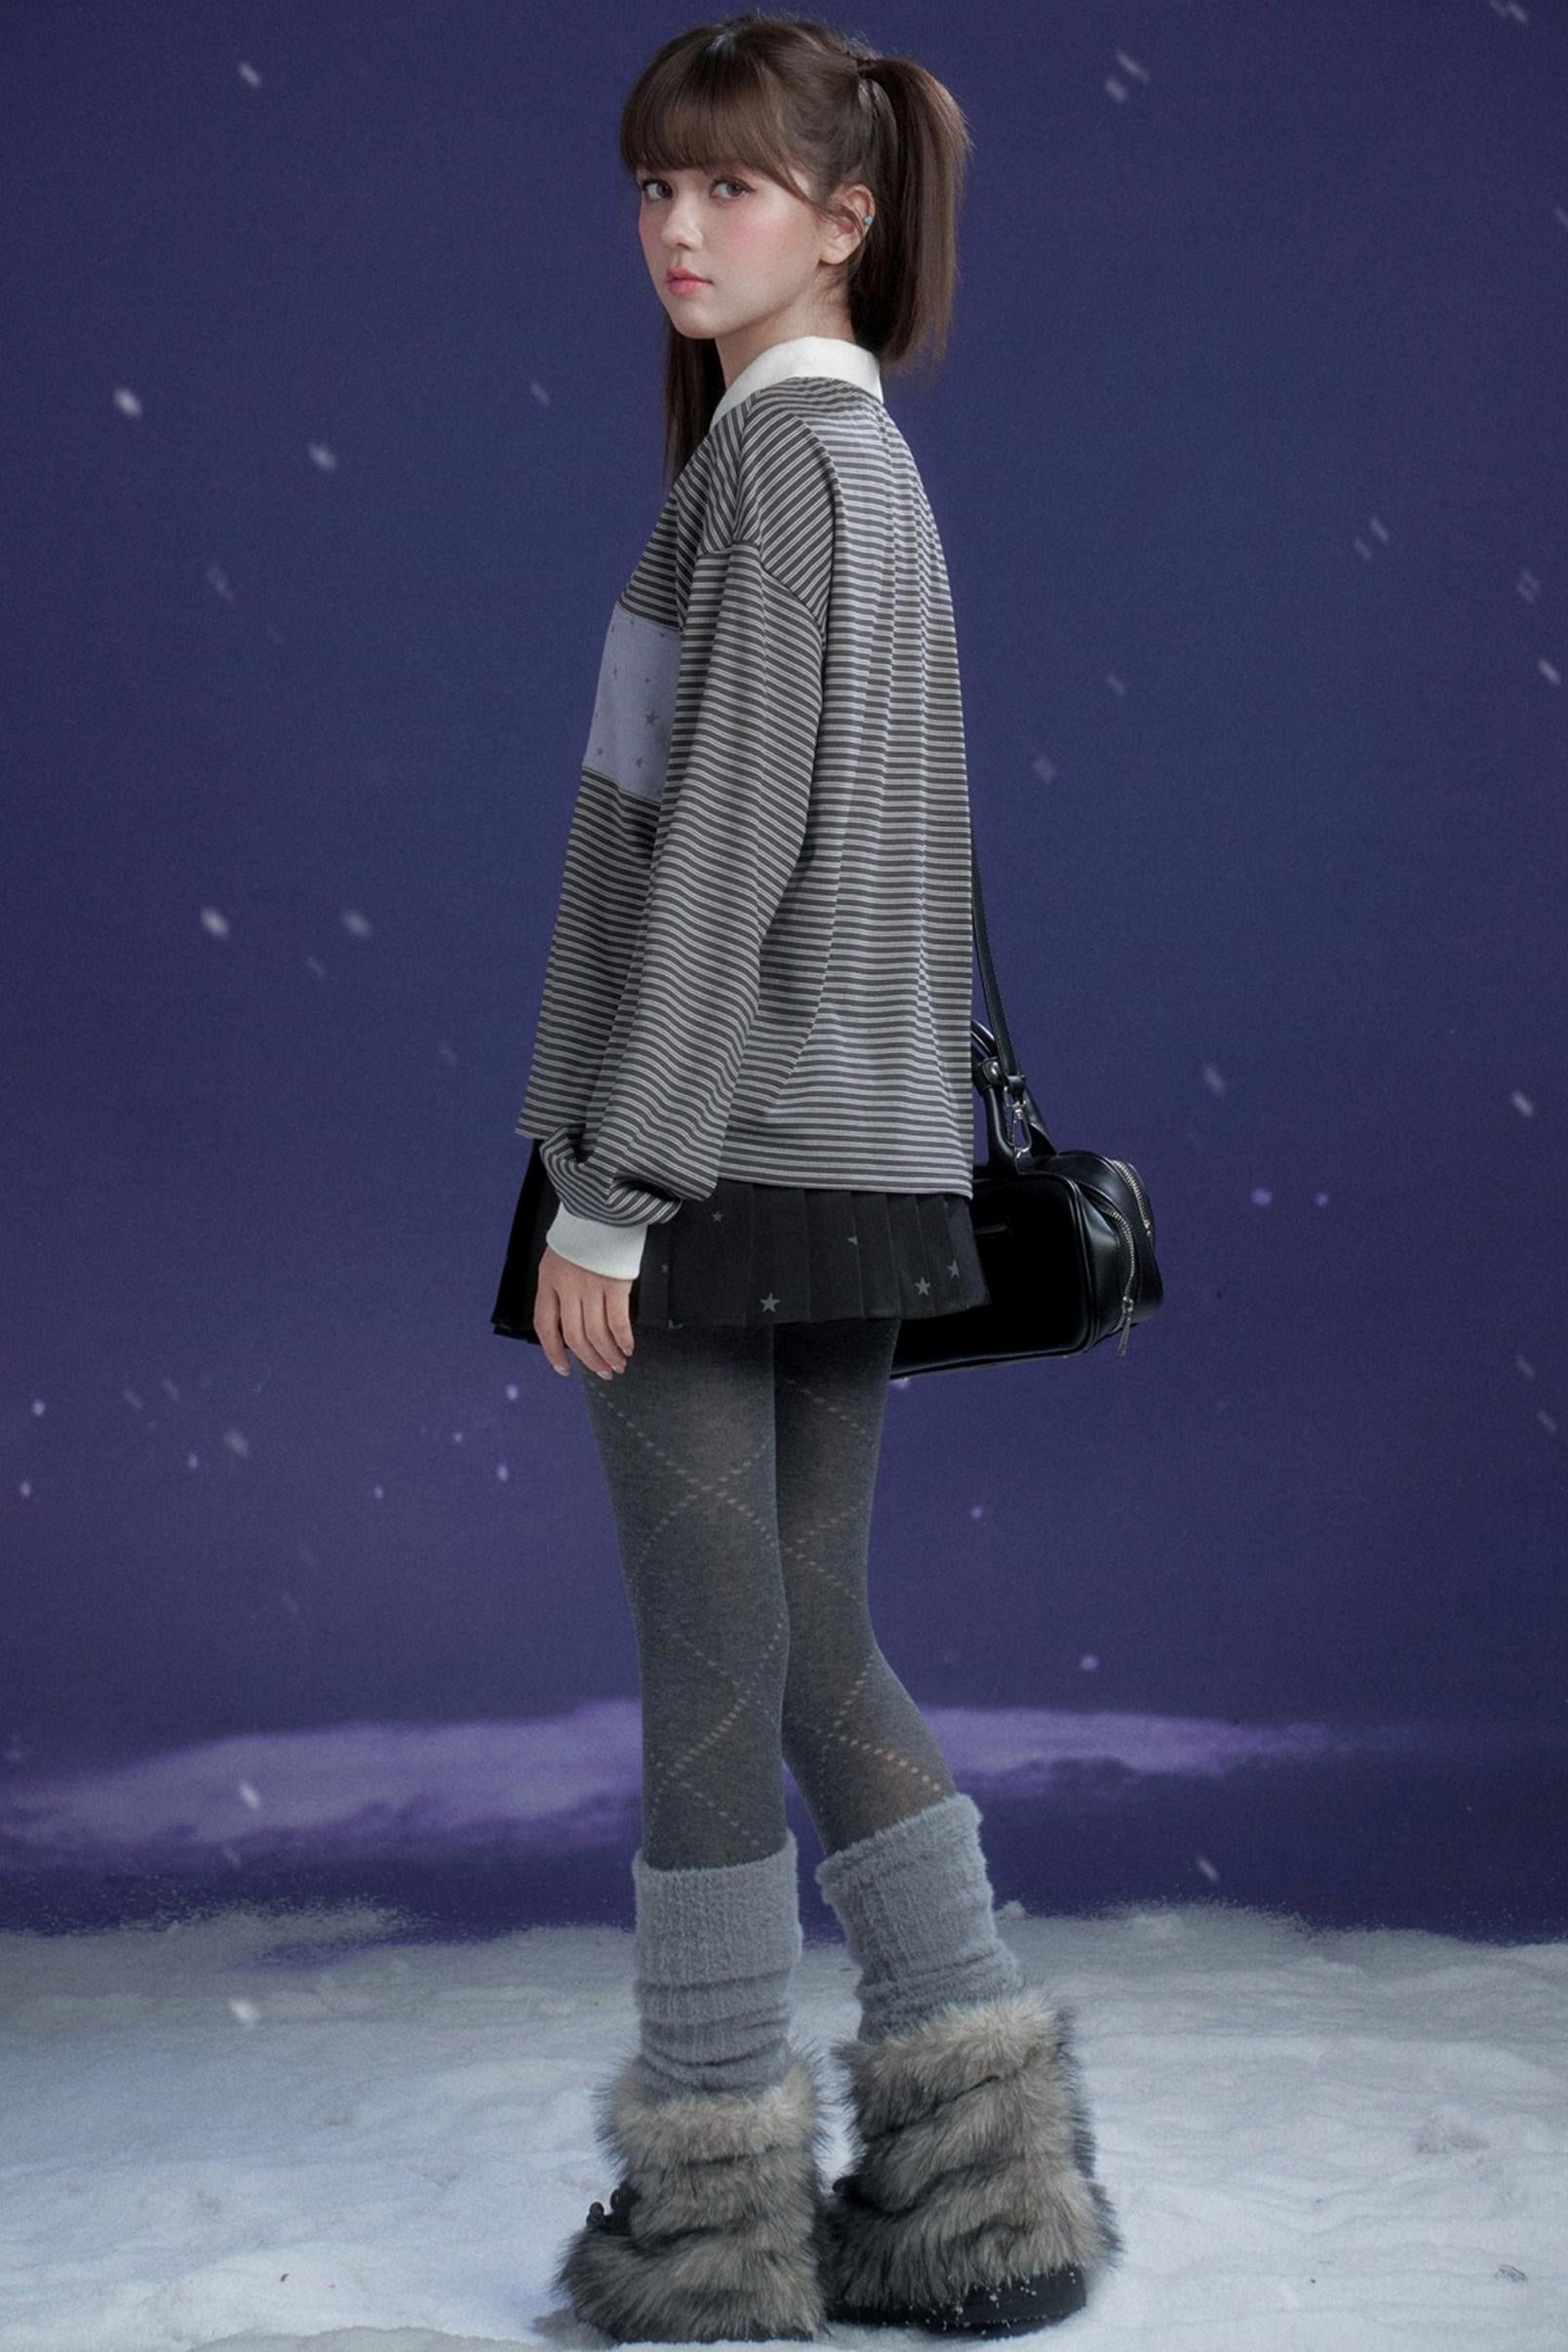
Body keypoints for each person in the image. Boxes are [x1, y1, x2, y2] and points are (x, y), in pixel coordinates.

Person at [497, 15, 1122, 2339]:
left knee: (709, 1685)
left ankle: (708, 2223)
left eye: (731, 188)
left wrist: (615, 1184)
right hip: (860, 1156)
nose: (678, 229)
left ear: (843, 219)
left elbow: (725, 853)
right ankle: (987, 2186)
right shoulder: (870, 463)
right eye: (655, 188)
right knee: (814, 1650)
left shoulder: (772, 467)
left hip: (712, 1156)